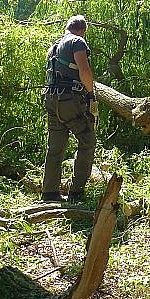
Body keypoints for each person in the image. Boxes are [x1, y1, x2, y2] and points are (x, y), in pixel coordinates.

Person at [40, 15, 97, 203]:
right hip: (69, 99)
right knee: (87, 140)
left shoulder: (54, 47)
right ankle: (76, 192)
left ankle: (49, 193)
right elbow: (84, 70)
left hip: (51, 98)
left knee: (55, 147)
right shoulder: (77, 42)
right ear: (82, 30)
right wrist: (90, 94)